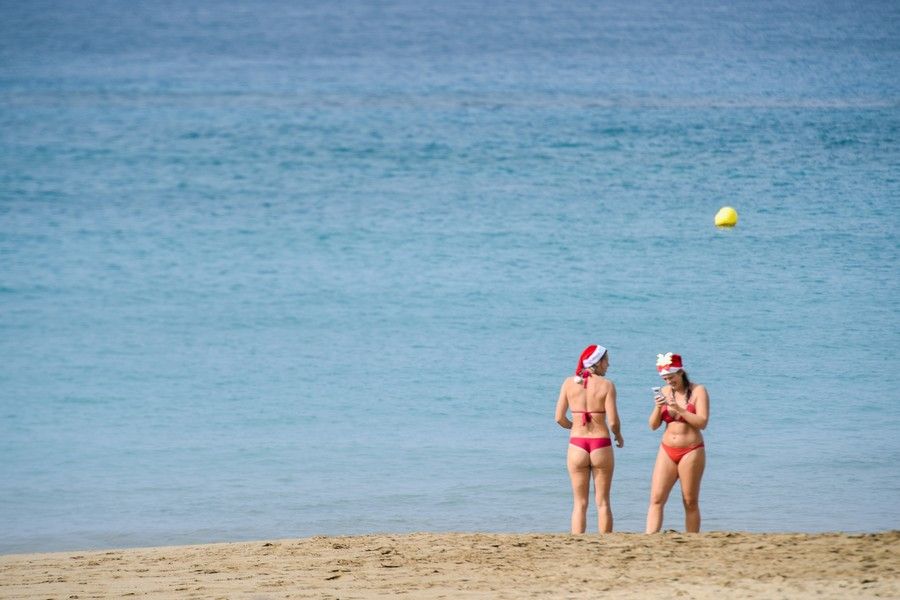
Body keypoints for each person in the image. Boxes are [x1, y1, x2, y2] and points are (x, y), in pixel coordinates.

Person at [555, 344, 623, 533]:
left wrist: (574, 426)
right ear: (598, 362)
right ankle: (606, 542)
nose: (608, 365)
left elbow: (559, 418)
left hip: (577, 444)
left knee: (579, 503)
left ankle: (577, 544)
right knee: (602, 502)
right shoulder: (607, 385)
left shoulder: (569, 383)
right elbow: (613, 421)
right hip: (601, 444)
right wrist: (618, 435)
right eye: (606, 361)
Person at [645, 352, 709, 533]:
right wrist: (659, 408)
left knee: (689, 501)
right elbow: (653, 425)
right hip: (667, 449)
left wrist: (678, 409)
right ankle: (650, 538)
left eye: (671, 377)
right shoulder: (665, 392)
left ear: (680, 372)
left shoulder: (698, 391)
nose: (668, 381)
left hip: (691, 450)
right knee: (656, 498)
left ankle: (692, 539)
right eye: (665, 378)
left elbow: (702, 422)